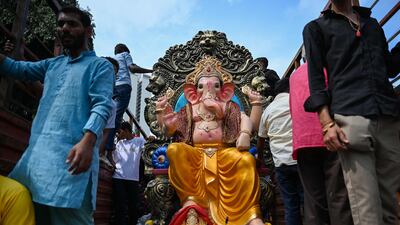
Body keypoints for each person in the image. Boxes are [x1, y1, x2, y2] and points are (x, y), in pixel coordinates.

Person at [0, 6, 114, 225]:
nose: (64, 28)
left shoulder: (100, 66)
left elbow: (101, 105)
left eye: (72, 24)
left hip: (71, 162)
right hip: (35, 162)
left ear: (88, 31)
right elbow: (16, 68)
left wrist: (87, 142)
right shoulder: (52, 64)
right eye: (61, 24)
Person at [303, 0, 400, 224]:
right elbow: (316, 79)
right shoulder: (315, 28)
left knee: (390, 208)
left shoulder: (372, 24)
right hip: (351, 118)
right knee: (366, 209)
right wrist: (327, 124)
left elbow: (390, 67)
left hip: (387, 116)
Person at [156, 56, 265, 225]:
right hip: (195, 154)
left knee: (246, 160)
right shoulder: (188, 109)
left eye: (215, 86)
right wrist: (164, 119)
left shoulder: (229, 107)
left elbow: (248, 121)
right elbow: (169, 132)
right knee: (174, 150)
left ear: (224, 91)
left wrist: (245, 130)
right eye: (202, 86)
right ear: (193, 92)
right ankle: (192, 201)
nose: (208, 91)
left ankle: (249, 215)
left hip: (224, 153)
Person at [290, 61, 353, 225]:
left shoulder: (295, 75)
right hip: (327, 133)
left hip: (302, 141)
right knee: (338, 196)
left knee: (313, 202)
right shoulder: (329, 65)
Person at [258, 78, 303, 225]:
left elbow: (261, 139)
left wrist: (261, 160)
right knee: (307, 201)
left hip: (281, 164)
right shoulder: (296, 101)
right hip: (300, 159)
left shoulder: (269, 110)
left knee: (290, 205)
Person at [105, 44, 153, 152]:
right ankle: (108, 147)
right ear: (124, 50)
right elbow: (132, 68)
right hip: (124, 87)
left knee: (111, 114)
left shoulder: (113, 59)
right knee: (117, 117)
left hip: (113, 87)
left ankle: (107, 143)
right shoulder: (125, 54)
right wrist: (150, 71)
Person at [111, 122, 145, 225]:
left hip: (133, 179)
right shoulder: (119, 143)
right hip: (118, 177)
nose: (118, 134)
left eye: (119, 132)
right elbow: (116, 160)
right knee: (120, 206)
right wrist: (113, 149)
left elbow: (147, 148)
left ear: (126, 130)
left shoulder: (139, 141)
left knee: (133, 207)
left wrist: (151, 139)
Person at [99, 56, 118, 168]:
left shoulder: (112, 105)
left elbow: (106, 132)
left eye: (114, 73)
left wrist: (97, 154)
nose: (110, 76)